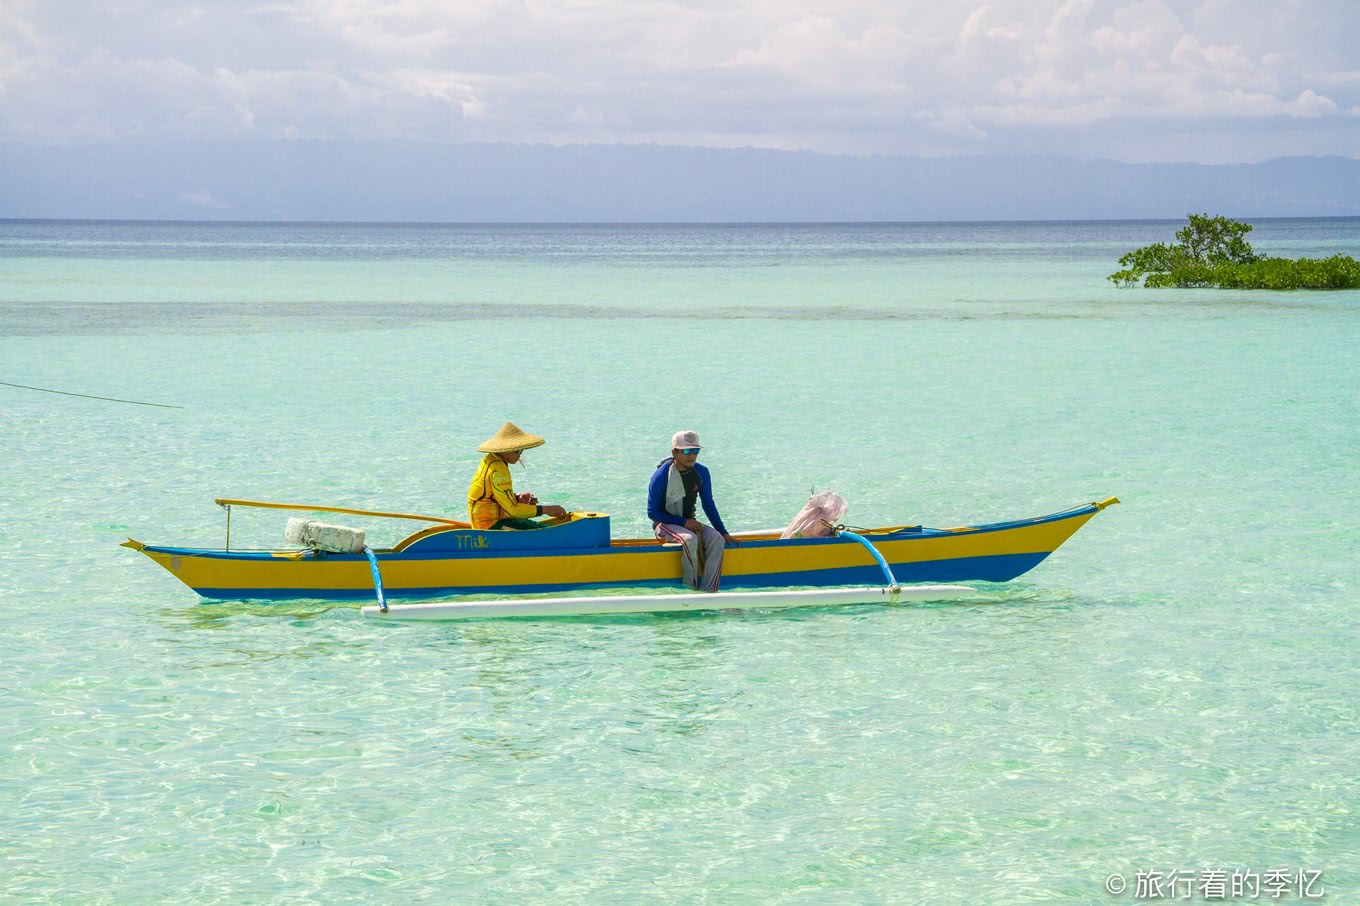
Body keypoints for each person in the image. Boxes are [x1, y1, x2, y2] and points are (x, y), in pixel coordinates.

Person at [647, 430, 737, 592]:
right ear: (674, 452)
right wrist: (684, 522)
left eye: (696, 451)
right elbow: (652, 513)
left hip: (689, 523)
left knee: (717, 540)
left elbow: (708, 504)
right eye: (686, 451)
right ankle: (690, 589)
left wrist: (723, 532)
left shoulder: (702, 472)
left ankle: (709, 590)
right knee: (689, 539)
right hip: (664, 525)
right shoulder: (661, 476)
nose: (692, 455)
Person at [467, 422, 568, 530]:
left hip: (491, 521)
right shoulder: (498, 471)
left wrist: (516, 497)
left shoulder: (490, 460)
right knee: (549, 533)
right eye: (517, 451)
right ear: (505, 450)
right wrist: (547, 509)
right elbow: (513, 510)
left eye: (521, 450)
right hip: (491, 526)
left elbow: (491, 497)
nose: (520, 454)